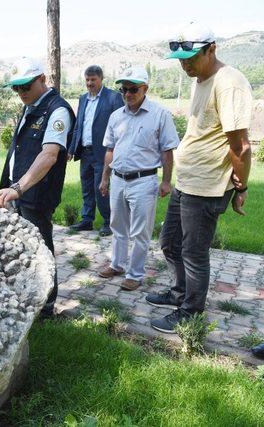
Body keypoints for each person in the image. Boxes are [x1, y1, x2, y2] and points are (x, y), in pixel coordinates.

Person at [147, 23, 253, 333]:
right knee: (169, 243)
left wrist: (241, 186)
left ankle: (191, 312)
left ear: (212, 49)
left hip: (207, 187)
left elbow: (241, 146)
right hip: (187, 180)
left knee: (193, 252)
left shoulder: (229, 83)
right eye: (180, 59)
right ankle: (179, 293)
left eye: (191, 57)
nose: (185, 65)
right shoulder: (200, 78)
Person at [0, 57, 74, 316]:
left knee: (41, 249)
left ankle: (47, 305)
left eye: (25, 87)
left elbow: (49, 155)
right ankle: (27, 295)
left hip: (37, 192)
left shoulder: (57, 110)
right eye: (16, 88)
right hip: (20, 189)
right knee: (22, 246)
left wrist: (18, 188)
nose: (20, 93)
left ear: (42, 79)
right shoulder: (32, 105)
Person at [98, 66, 179, 291]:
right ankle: (117, 264)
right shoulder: (116, 116)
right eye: (123, 90)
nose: (128, 94)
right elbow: (110, 150)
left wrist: (166, 181)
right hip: (118, 179)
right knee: (117, 226)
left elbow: (167, 151)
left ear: (145, 89)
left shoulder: (160, 114)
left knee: (140, 231)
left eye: (133, 89)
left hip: (144, 181)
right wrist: (105, 178)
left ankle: (135, 274)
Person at [68, 65, 124, 236]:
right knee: (86, 187)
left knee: (102, 187)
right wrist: (71, 148)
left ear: (101, 79)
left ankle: (108, 221)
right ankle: (87, 220)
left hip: (103, 152)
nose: (90, 83)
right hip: (85, 151)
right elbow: (78, 125)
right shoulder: (83, 98)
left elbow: (121, 126)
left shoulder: (113, 98)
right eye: (87, 80)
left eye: (93, 80)